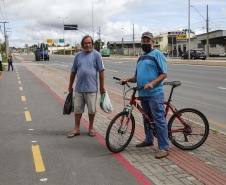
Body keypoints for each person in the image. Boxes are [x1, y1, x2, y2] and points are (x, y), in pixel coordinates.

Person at [120, 31, 169, 159]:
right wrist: (127, 80)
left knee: (159, 119)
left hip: (154, 93)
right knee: (146, 118)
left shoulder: (157, 54)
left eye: (148, 41)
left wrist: (152, 83)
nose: (145, 43)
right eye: (143, 41)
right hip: (143, 93)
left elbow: (164, 74)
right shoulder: (141, 58)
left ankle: (164, 148)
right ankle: (148, 140)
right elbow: (136, 77)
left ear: (152, 42)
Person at [67, 35, 105, 138]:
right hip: (79, 88)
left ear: (92, 44)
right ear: (82, 44)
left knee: (92, 110)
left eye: (89, 43)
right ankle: (77, 128)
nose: (88, 45)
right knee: (77, 110)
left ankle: (91, 128)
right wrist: (70, 85)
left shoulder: (96, 55)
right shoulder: (78, 56)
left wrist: (102, 87)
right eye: (86, 43)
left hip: (92, 89)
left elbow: (101, 71)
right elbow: (73, 71)